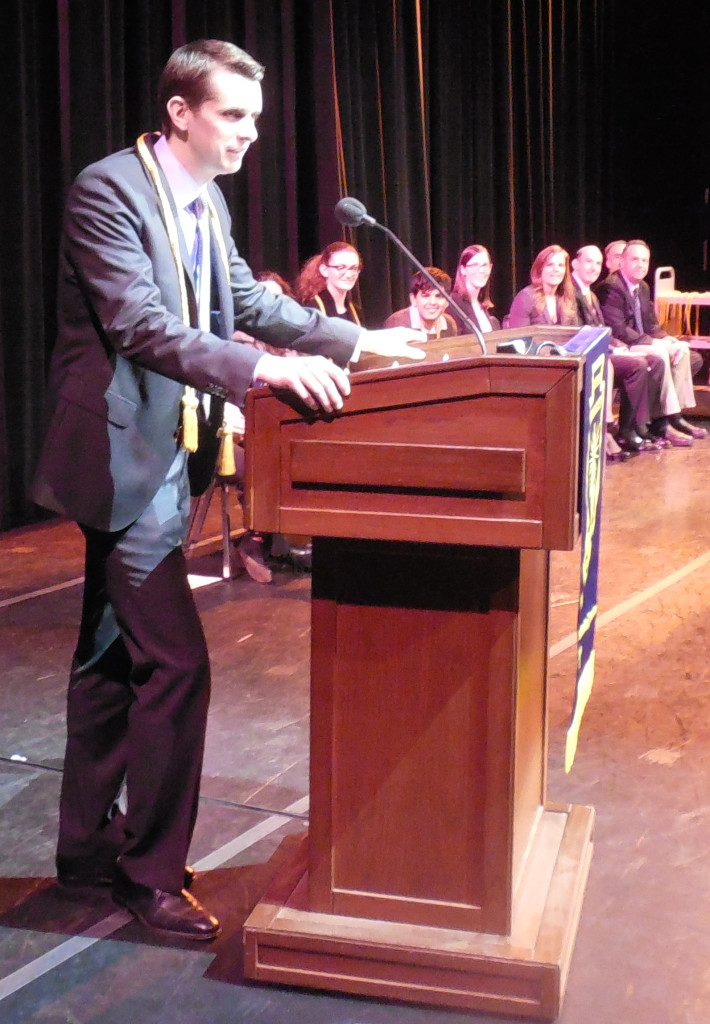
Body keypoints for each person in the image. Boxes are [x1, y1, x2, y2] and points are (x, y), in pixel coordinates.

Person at [31, 39, 424, 942]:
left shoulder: (205, 197)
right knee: (176, 666)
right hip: (123, 458)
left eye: (256, 118)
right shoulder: (108, 191)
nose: (251, 134)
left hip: (172, 460)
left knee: (104, 666)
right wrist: (270, 373)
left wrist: (360, 345)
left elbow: (246, 299)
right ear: (181, 112)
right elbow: (141, 325)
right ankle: (150, 875)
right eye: (234, 116)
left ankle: (88, 857)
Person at [597, 239, 706, 445]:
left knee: (681, 353)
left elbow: (650, 323)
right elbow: (618, 329)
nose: (640, 265)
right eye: (635, 259)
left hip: (639, 341)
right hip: (623, 344)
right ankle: (658, 423)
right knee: (660, 355)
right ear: (623, 262)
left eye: (644, 261)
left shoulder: (643, 286)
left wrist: (667, 339)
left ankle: (670, 418)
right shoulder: (611, 287)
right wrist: (656, 344)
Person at [571, 244, 666, 454]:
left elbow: (603, 331)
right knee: (638, 365)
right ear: (575, 264)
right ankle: (622, 431)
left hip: (604, 349)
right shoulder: (573, 292)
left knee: (654, 360)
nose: (594, 268)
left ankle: (640, 425)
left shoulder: (590, 294)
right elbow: (580, 333)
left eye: (597, 263)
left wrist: (619, 347)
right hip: (583, 356)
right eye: (589, 262)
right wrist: (616, 349)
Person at [508, 245, 579, 328]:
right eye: (550, 265)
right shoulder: (525, 298)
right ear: (540, 269)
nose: (556, 269)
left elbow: (575, 335)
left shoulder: (568, 297)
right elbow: (518, 337)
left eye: (560, 265)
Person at [296, 241, 363, 323]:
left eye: (354, 268)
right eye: (341, 267)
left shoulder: (356, 312)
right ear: (324, 270)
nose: (349, 274)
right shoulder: (311, 311)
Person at [384, 267, 458, 339]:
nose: (432, 302)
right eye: (426, 296)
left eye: (438, 296)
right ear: (413, 299)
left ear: (448, 301)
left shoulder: (449, 324)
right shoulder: (397, 323)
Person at [449, 244, 500, 334]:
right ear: (463, 269)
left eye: (484, 265)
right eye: (474, 265)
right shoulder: (454, 303)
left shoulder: (481, 305)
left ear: (490, 268)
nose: (481, 270)